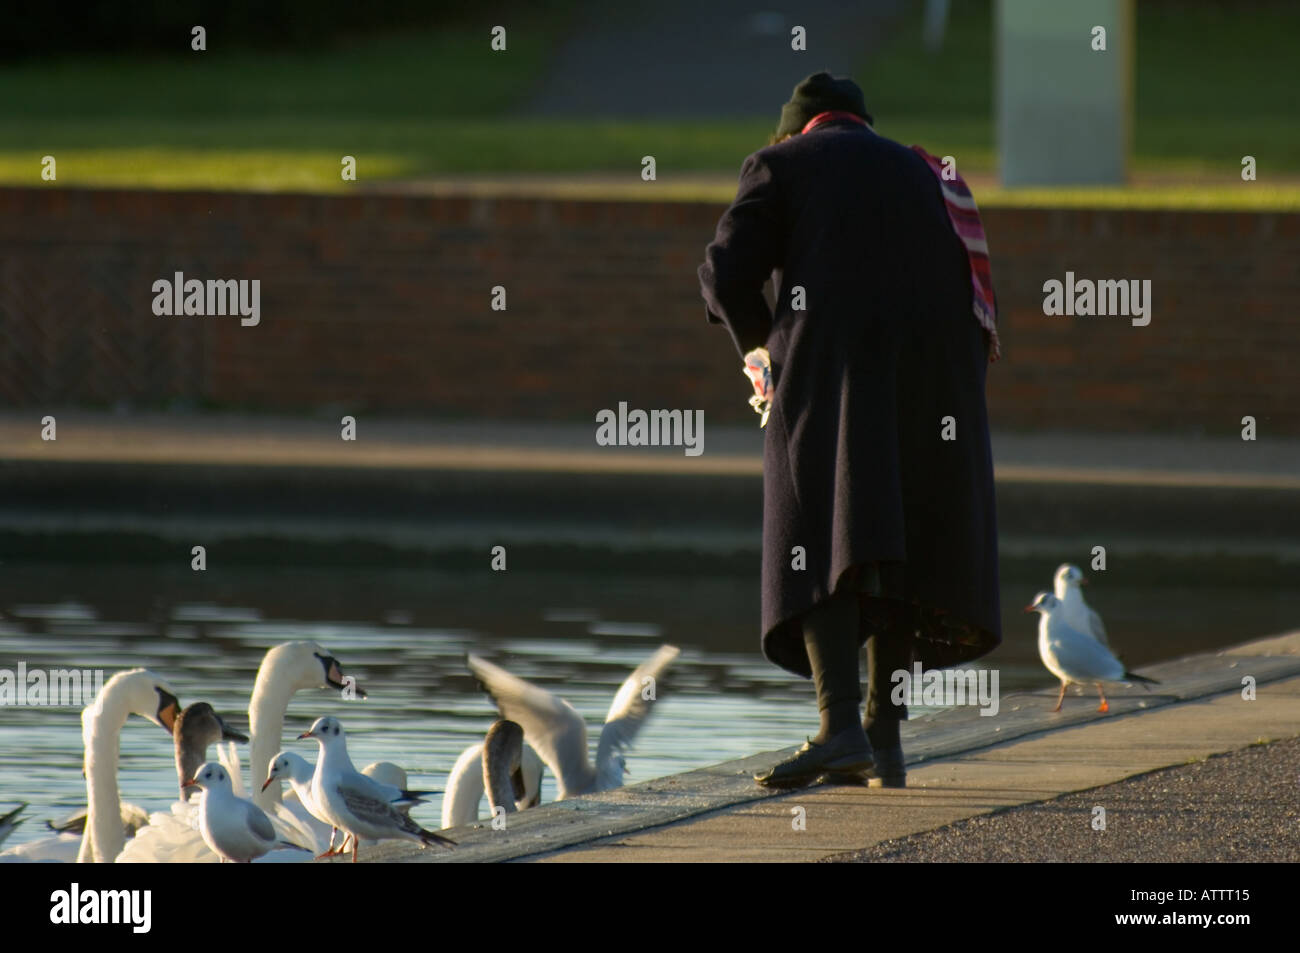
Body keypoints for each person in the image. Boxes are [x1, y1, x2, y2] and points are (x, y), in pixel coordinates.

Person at [698, 72, 1002, 789]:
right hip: (939, 374)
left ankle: (839, 729)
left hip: (837, 361)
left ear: (793, 130)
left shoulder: (781, 164)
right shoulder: (924, 170)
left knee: (820, 519)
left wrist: (757, 351)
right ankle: (883, 736)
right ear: (862, 123)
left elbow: (723, 273)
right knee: (896, 528)